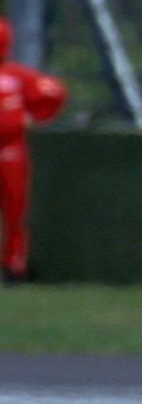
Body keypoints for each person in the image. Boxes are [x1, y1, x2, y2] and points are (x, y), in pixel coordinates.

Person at [0, 18, 68, 284]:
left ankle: (14, 266)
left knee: (14, 210)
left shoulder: (15, 76)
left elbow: (54, 92)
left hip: (10, 150)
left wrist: (34, 116)